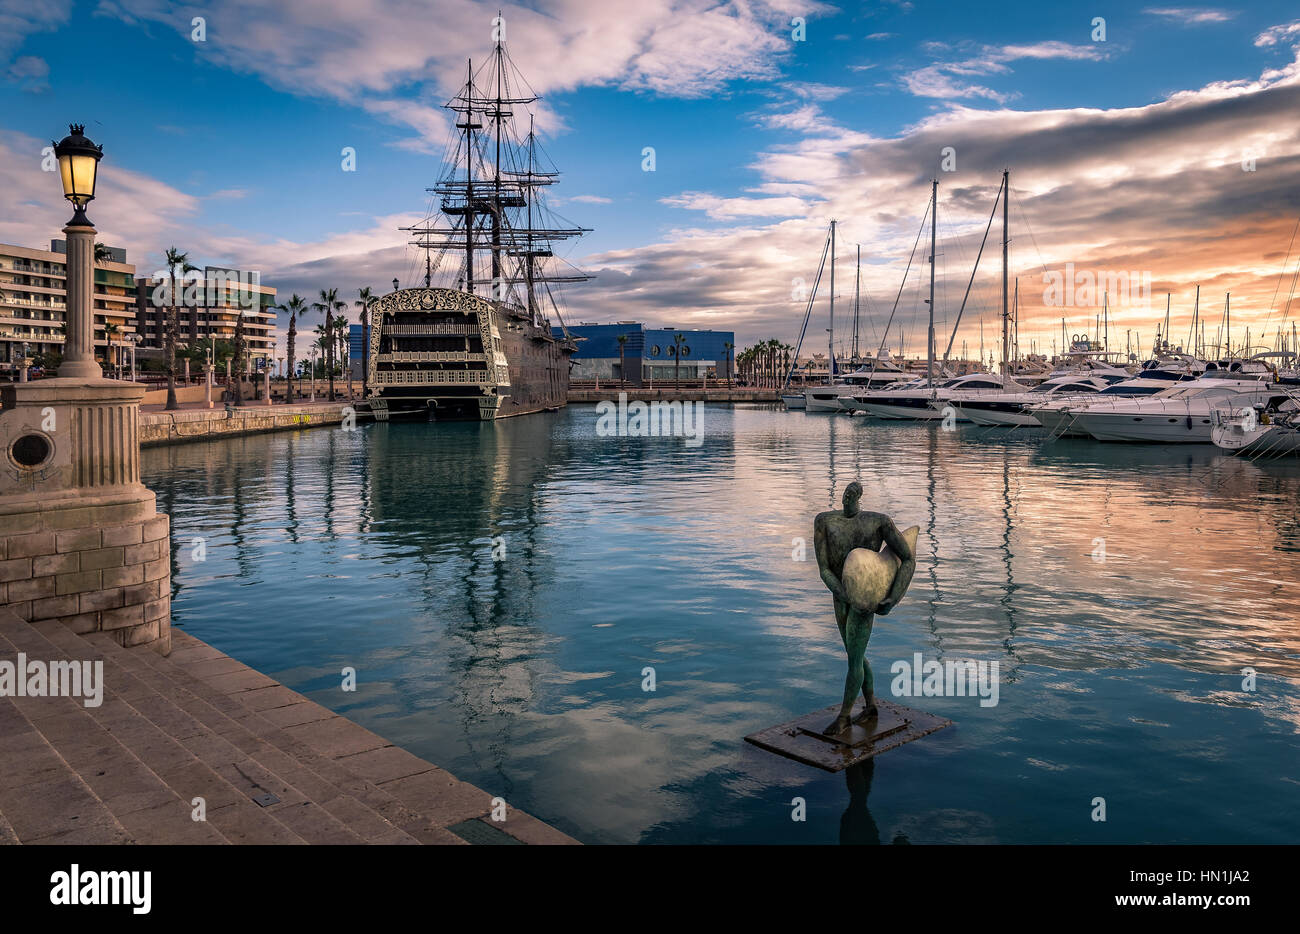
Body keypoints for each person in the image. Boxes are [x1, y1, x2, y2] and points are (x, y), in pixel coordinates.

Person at [813, 481, 915, 736]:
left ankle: (845, 717)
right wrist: (841, 592)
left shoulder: (879, 522)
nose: (846, 498)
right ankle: (870, 706)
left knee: (855, 659)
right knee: (853, 656)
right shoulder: (824, 521)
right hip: (841, 596)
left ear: (859, 497)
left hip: (864, 600)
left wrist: (894, 597)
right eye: (845, 494)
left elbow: (908, 558)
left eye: (851, 494)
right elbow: (824, 568)